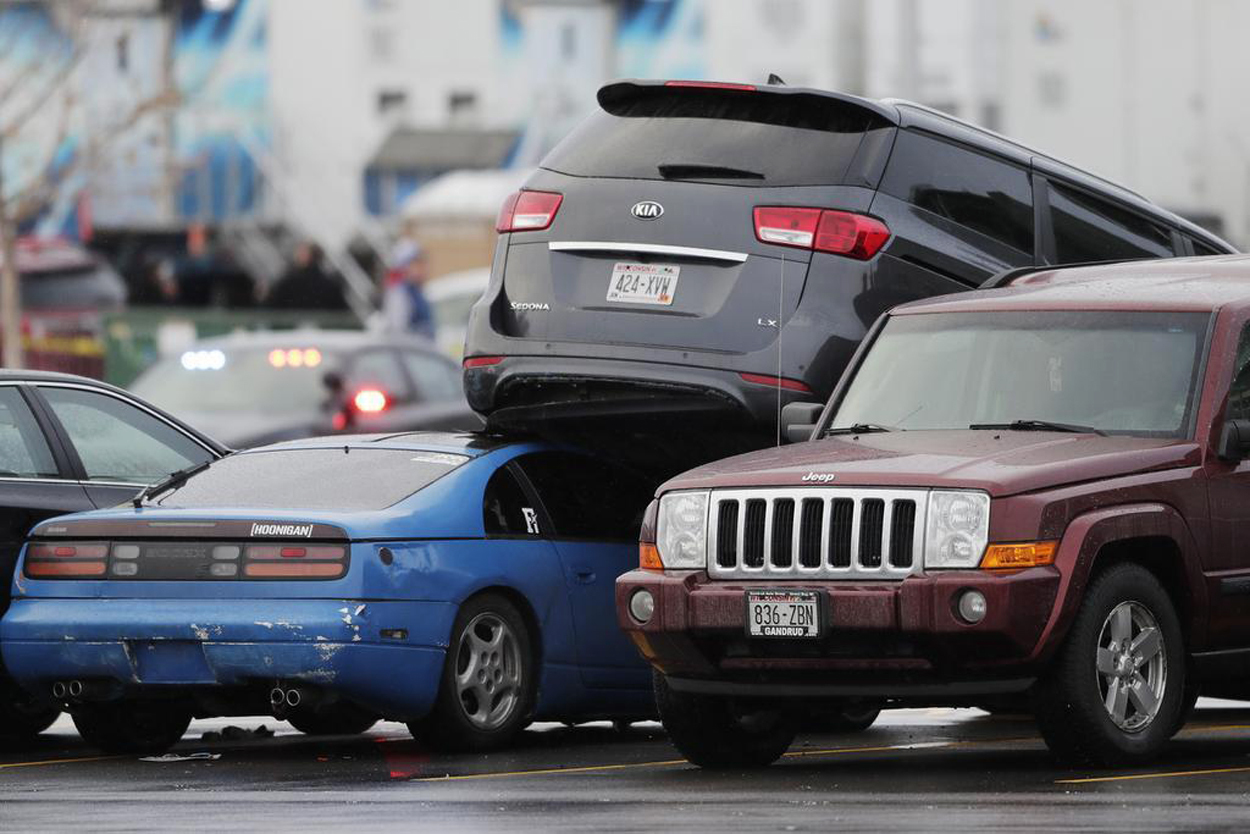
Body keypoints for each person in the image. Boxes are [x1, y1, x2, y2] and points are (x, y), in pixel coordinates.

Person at [266, 241, 347, 310]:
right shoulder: (331, 284)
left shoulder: (289, 282)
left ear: (309, 256)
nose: (296, 256)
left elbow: (273, 306)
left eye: (301, 252)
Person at [382, 240, 435, 340]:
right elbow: (399, 333)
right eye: (417, 263)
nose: (423, 268)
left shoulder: (417, 291)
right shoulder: (399, 294)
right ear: (405, 267)